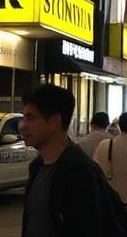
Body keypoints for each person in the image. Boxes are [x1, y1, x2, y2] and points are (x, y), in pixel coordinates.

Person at [20, 83, 106, 236]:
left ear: (54, 120)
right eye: (23, 117)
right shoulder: (37, 166)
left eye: (30, 118)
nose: (22, 126)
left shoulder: (80, 172)